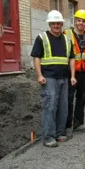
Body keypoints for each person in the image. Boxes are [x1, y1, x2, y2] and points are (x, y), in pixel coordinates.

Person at [31, 10, 76, 148]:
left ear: (62, 24)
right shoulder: (42, 38)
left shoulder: (67, 40)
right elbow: (36, 57)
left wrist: (73, 76)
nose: (56, 25)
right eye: (54, 23)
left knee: (63, 107)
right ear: (50, 24)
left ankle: (59, 133)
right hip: (49, 78)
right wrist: (39, 75)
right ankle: (49, 137)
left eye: (59, 23)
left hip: (64, 78)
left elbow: (72, 59)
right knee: (50, 106)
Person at [64, 9, 85, 133]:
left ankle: (78, 123)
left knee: (82, 98)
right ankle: (67, 125)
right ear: (75, 21)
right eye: (79, 20)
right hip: (71, 72)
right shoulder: (66, 33)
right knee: (69, 98)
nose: (81, 23)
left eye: (83, 21)